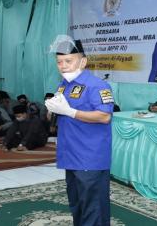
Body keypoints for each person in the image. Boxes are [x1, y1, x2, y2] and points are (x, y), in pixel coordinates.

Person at [45, 35, 114, 225]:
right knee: (77, 205)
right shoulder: (63, 86)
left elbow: (104, 116)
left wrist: (70, 111)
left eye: (68, 60)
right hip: (70, 154)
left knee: (94, 208)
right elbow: (59, 114)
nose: (63, 65)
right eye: (59, 62)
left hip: (90, 156)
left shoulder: (98, 86)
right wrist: (52, 110)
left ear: (83, 61)